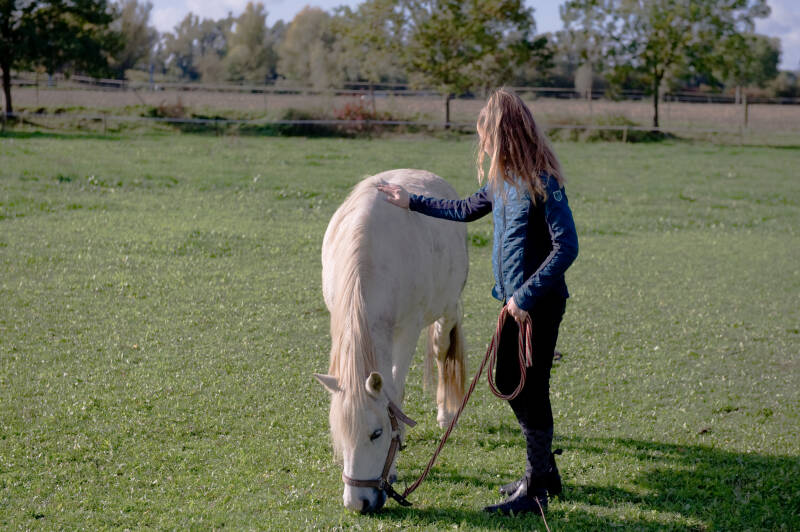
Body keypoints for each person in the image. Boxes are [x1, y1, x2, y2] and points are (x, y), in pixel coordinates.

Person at [376, 87, 578, 517]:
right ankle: (543, 473)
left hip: (538, 305)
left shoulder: (544, 182)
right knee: (510, 381)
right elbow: (465, 208)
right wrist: (412, 201)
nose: (482, 145)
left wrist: (525, 295)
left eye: (485, 136)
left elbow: (567, 247)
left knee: (530, 388)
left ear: (503, 135)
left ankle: (536, 489)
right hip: (513, 306)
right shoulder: (502, 182)